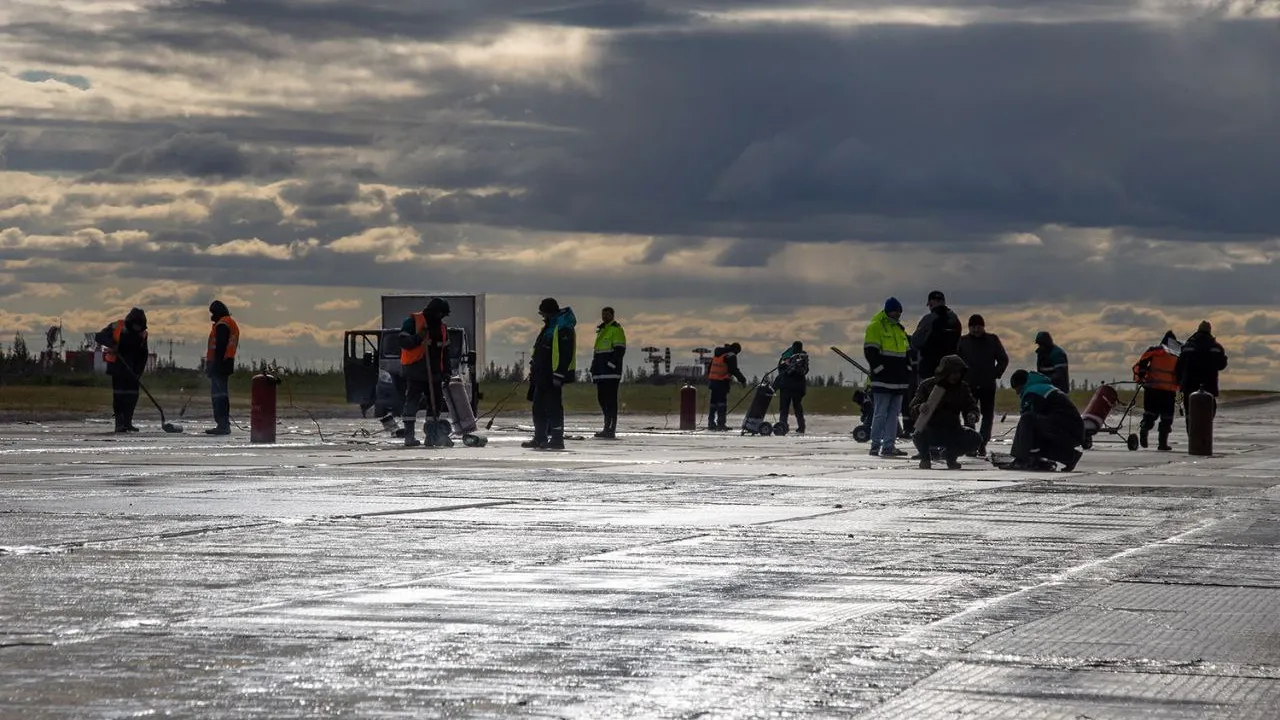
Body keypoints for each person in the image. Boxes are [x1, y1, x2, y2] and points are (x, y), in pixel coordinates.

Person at [908, 355, 980, 470]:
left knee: (975, 438)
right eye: (953, 372)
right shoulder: (927, 385)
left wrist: (972, 414)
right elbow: (912, 408)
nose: (956, 376)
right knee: (918, 434)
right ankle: (925, 458)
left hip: (953, 429)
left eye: (958, 373)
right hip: (931, 429)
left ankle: (950, 456)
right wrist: (920, 408)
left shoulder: (963, 388)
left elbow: (971, 406)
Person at [524, 298, 577, 450]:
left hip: (552, 374)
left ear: (549, 312)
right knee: (538, 406)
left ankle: (557, 439)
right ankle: (540, 437)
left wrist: (559, 374)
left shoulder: (563, 327)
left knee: (553, 407)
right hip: (541, 374)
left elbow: (565, 353)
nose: (542, 316)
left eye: (543, 312)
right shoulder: (548, 327)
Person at [398, 297, 451, 447]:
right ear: (434, 311)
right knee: (412, 401)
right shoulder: (413, 322)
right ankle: (409, 436)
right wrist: (418, 337)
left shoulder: (442, 327)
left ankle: (431, 436)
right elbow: (403, 343)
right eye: (440, 314)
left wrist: (447, 372)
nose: (441, 317)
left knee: (436, 402)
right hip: (415, 368)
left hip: (434, 371)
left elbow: (445, 351)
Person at [1008, 369, 1084, 472]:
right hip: (1073, 432)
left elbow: (1029, 422)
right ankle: (1069, 457)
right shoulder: (1042, 388)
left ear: (1022, 384)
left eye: (1017, 389)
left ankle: (1022, 460)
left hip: (1066, 429)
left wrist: (1022, 454)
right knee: (1035, 436)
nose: (1017, 393)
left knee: (1027, 419)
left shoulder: (1032, 392)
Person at [864, 297, 913, 457]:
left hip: (898, 381)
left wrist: (907, 369)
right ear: (888, 311)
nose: (898, 315)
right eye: (895, 311)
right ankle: (875, 445)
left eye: (899, 312)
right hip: (883, 380)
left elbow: (906, 353)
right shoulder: (876, 327)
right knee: (880, 413)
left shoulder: (899, 330)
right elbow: (870, 353)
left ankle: (889, 446)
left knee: (893, 415)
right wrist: (880, 370)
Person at [956, 314, 1009, 456]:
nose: (976, 330)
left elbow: (1003, 359)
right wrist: (960, 378)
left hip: (987, 385)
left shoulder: (992, 340)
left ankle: (982, 443)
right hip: (969, 385)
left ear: (983, 326)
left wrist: (995, 373)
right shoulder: (963, 341)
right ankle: (971, 444)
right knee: (969, 414)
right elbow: (956, 361)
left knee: (987, 415)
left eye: (978, 327)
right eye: (973, 327)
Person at [94, 307, 149, 433]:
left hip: (133, 370)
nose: (137, 328)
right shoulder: (117, 326)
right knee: (119, 396)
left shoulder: (143, 333)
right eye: (135, 325)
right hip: (118, 367)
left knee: (132, 396)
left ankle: (128, 422)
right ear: (131, 322)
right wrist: (112, 343)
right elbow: (99, 337)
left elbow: (143, 355)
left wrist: (138, 372)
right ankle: (119, 423)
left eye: (139, 326)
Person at [1132, 330, 1180, 451]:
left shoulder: (1155, 350)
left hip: (1152, 389)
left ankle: (1144, 430)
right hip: (1168, 391)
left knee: (1149, 414)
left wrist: (1142, 377)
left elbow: (1141, 364)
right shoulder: (1177, 354)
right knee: (1167, 418)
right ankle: (1162, 444)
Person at [590, 306, 626, 439]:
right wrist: (594, 369)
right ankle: (606, 426)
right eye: (603, 314)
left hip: (611, 373)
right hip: (600, 372)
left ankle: (611, 429)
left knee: (610, 400)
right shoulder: (601, 330)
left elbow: (619, 351)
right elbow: (597, 353)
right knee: (602, 399)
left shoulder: (616, 330)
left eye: (607, 314)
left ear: (612, 315)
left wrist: (610, 365)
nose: (604, 317)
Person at [911, 290, 962, 381]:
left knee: (928, 394)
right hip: (949, 370)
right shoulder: (955, 320)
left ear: (931, 303)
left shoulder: (928, 319)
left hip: (929, 370)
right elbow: (958, 345)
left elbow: (916, 342)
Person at [205, 300, 239, 435]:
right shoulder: (228, 322)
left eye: (213, 313)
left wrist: (213, 366)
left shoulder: (222, 325)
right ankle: (223, 424)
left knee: (219, 396)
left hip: (220, 365)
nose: (211, 316)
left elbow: (220, 347)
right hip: (225, 363)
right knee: (221, 395)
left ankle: (223, 425)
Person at [1176, 320, 1228, 399]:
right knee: (1209, 407)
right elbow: (1221, 365)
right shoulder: (1216, 347)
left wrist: (1179, 380)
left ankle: (1188, 411)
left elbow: (1180, 365)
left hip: (1190, 383)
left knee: (1190, 408)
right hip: (1209, 384)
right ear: (1209, 330)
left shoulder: (1188, 346)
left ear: (1198, 329)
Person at [706, 341, 746, 431]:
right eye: (738, 352)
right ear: (736, 350)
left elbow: (710, 368)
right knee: (722, 404)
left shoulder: (718, 353)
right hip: (721, 382)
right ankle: (721, 424)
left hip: (713, 382)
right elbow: (734, 369)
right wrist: (743, 380)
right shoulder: (731, 355)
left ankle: (711, 423)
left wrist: (711, 379)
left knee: (713, 404)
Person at [774, 341, 809, 434]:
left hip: (787, 387)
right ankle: (801, 427)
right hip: (797, 387)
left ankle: (783, 426)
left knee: (784, 408)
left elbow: (781, 370)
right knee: (797, 407)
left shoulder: (787, 357)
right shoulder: (803, 357)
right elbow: (805, 371)